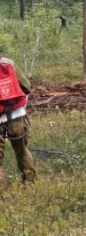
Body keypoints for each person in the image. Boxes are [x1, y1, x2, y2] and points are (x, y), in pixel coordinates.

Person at [0, 48, 36, 187]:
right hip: (16, 115)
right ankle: (30, 185)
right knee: (21, 152)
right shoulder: (8, 63)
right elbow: (26, 86)